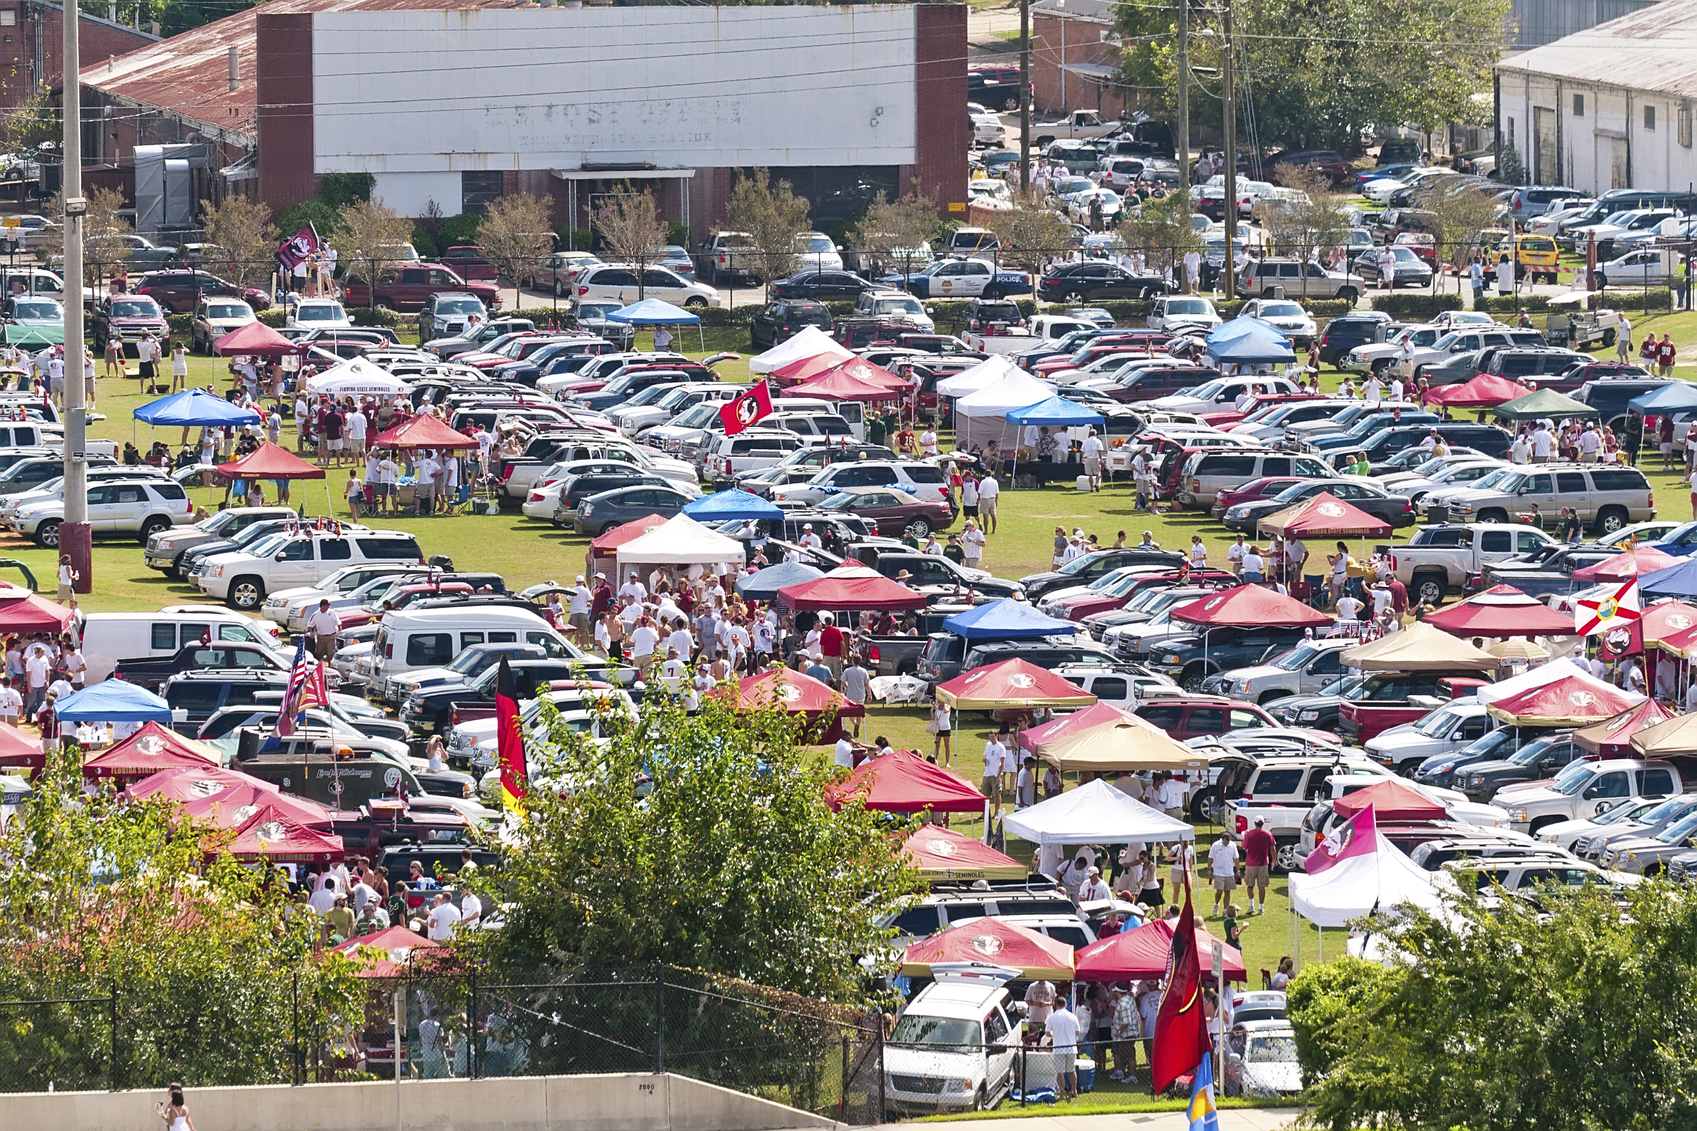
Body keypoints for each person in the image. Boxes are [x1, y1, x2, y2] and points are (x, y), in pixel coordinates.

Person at [1045, 998, 1081, 1100]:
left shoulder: (1052, 1017)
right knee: (1071, 1070)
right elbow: (1077, 1032)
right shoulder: (1073, 1016)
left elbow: (1047, 1032)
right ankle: (1074, 1091)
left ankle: (1062, 1094)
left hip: (1059, 1048)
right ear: (1065, 1005)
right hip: (1071, 1047)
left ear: (1056, 1005)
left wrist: (1054, 1035)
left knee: (1060, 1072)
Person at [1241, 817, 1275, 913]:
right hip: (1263, 863)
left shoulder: (1249, 834)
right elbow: (1272, 847)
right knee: (1262, 886)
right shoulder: (1268, 834)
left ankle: (1251, 906)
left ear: (1254, 823)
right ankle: (1261, 908)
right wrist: (1274, 859)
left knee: (1250, 885)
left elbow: (1244, 847)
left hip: (1251, 863)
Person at [1207, 833, 1239, 916]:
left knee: (1227, 892)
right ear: (1222, 839)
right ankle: (1216, 904)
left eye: (1228, 842)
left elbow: (1236, 858)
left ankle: (1225, 910)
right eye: (1225, 842)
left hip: (1229, 872)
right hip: (1218, 872)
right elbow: (1210, 858)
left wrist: (1238, 870)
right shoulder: (1215, 845)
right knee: (1219, 891)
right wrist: (1209, 869)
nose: (1227, 843)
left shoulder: (1233, 845)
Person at [1082, 427, 1104, 491]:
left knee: (1090, 475)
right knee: (1098, 473)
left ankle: (1091, 488)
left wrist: (1082, 457)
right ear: (1095, 434)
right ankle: (1097, 483)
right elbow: (1099, 450)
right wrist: (1101, 458)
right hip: (1095, 458)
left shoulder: (1085, 441)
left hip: (1087, 459)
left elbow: (1082, 450)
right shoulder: (1098, 441)